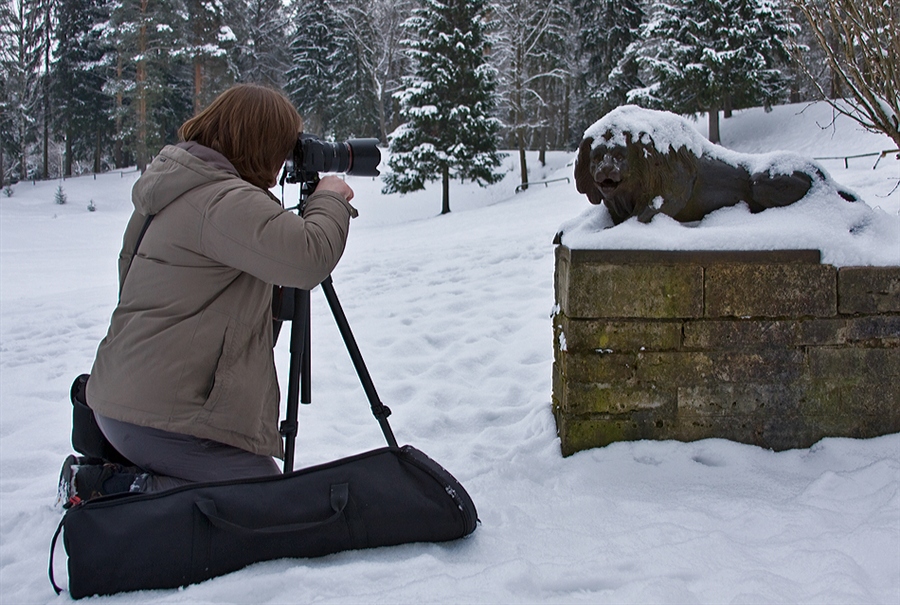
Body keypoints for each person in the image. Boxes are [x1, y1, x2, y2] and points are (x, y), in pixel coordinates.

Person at [59, 84, 356, 506]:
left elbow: (129, 275)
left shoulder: (177, 186)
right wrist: (329, 198)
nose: (282, 160)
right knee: (257, 497)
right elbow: (308, 258)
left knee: (249, 487)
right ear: (260, 144)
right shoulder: (220, 199)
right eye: (281, 146)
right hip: (156, 417)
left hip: (121, 400)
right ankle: (111, 488)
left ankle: (132, 466)